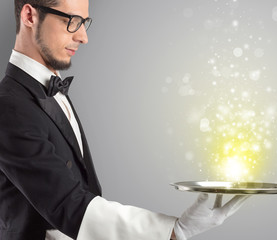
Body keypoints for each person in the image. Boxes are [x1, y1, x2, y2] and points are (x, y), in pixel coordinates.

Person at [0, 0, 250, 239]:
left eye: (84, 23)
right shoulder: (8, 106)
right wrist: (175, 230)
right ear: (30, 16)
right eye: (72, 21)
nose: (83, 37)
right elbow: (66, 204)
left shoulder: (49, 90)